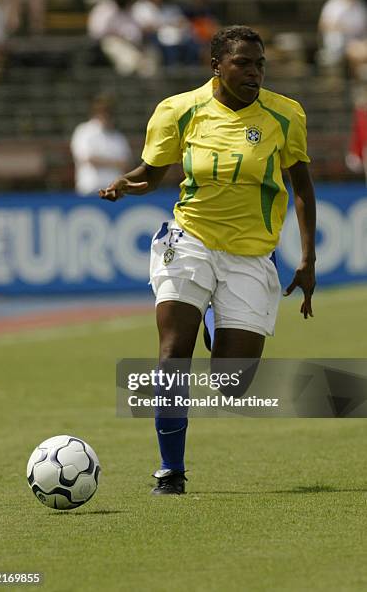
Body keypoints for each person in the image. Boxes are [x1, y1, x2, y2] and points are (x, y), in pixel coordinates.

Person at [100, 25, 316, 495]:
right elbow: (153, 173)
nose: (254, 72)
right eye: (243, 63)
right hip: (189, 239)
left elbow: (302, 187)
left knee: (230, 385)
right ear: (216, 65)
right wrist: (126, 182)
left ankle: (215, 320)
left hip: (250, 254)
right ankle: (170, 471)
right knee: (173, 351)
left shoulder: (285, 115)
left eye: (259, 63)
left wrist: (307, 259)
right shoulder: (179, 110)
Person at [71, 94, 132, 196]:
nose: (106, 115)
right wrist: (115, 163)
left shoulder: (118, 137)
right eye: (103, 111)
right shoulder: (84, 131)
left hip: (115, 192)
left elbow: (127, 163)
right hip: (91, 190)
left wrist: (102, 161)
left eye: (108, 111)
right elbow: (87, 159)